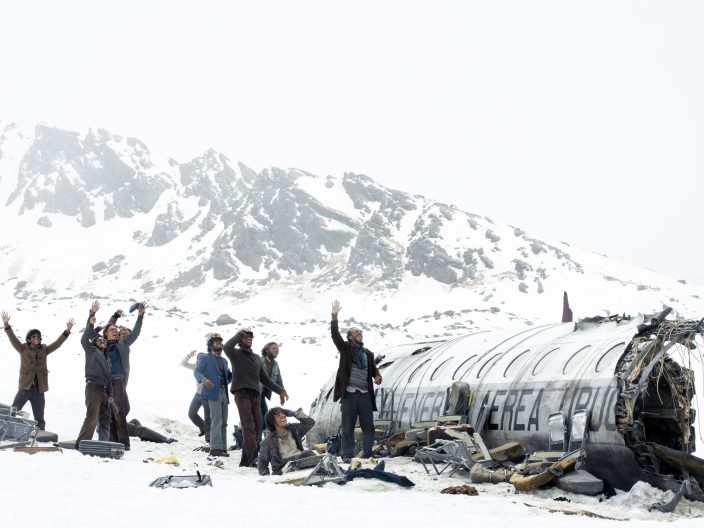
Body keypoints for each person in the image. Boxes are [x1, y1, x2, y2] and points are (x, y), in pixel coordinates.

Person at [224, 327, 289, 467]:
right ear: (240, 341)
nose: (248, 338)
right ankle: (254, 459)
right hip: (242, 393)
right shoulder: (235, 354)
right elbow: (227, 346)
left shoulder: (256, 358)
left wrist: (280, 390)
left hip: (255, 395)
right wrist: (240, 333)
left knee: (258, 428)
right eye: (245, 337)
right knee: (248, 427)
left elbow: (265, 379)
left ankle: (246, 461)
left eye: (250, 337)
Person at [1, 311, 74, 430]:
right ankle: (5, 431)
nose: (37, 338)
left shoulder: (44, 350)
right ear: (29, 339)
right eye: (34, 336)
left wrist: (67, 331)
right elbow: (12, 338)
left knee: (39, 418)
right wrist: (6, 324)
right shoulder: (22, 348)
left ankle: (41, 436)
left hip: (39, 389)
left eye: (38, 336)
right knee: (13, 411)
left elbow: (57, 343)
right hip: (25, 387)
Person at [330, 300, 382, 462]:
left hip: (365, 395)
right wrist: (334, 316)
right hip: (350, 394)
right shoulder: (345, 349)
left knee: (368, 427)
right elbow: (335, 335)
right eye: (355, 332)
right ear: (350, 337)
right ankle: (347, 455)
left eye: (360, 331)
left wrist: (377, 376)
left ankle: (367, 453)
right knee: (348, 427)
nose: (359, 333)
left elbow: (373, 370)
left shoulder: (368, 354)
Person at [100, 302, 147, 450]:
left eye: (116, 330)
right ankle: (112, 439)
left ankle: (124, 443)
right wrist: (114, 317)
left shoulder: (123, 343)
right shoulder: (103, 344)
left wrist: (140, 316)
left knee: (120, 412)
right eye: (112, 330)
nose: (114, 331)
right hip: (105, 382)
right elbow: (108, 327)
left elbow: (136, 332)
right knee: (109, 412)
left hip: (118, 381)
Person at [75, 301, 114, 448]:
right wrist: (91, 316)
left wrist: (110, 395)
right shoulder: (91, 351)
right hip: (93, 387)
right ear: (95, 343)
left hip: (104, 390)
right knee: (92, 417)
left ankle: (103, 445)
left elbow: (109, 377)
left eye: (104, 340)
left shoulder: (107, 357)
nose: (102, 341)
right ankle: (81, 444)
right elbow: (85, 338)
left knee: (105, 419)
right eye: (99, 340)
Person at [194, 333, 232, 457]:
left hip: (224, 392)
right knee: (216, 420)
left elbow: (228, 377)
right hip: (212, 393)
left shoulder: (225, 361)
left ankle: (223, 448)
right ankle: (215, 449)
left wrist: (234, 374)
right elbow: (197, 372)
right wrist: (204, 380)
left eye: (220, 342)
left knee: (224, 421)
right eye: (216, 342)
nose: (219, 344)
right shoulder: (205, 358)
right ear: (210, 345)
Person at [257, 407, 316, 475]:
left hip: (300, 463)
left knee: (309, 454)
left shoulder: (294, 429)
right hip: (284, 470)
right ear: (272, 421)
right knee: (308, 454)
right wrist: (266, 476)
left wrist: (295, 414)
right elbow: (262, 462)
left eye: (283, 413)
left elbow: (310, 423)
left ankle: (323, 473)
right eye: (278, 415)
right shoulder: (267, 441)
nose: (282, 416)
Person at [181, 350, 210, 441]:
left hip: (207, 395)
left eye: (202, 358)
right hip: (197, 394)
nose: (199, 360)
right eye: (198, 358)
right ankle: (203, 427)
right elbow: (183, 363)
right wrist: (189, 355)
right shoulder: (195, 366)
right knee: (191, 414)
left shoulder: (210, 367)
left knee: (208, 417)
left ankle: (209, 438)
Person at [260, 342, 284, 439]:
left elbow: (278, 380)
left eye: (277, 348)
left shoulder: (275, 364)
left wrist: (282, 393)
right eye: (273, 348)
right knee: (260, 416)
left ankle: (264, 439)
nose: (276, 350)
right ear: (266, 350)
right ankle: (257, 440)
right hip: (256, 392)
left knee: (265, 416)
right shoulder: (259, 361)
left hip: (263, 394)